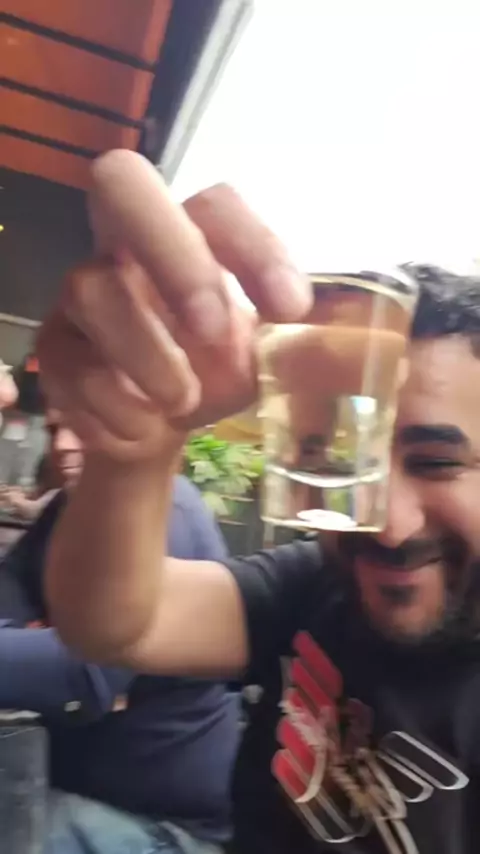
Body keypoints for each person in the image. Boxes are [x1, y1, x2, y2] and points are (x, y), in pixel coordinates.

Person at [38, 150, 480, 854]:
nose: (388, 525)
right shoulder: (320, 583)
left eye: (436, 463)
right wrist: (135, 448)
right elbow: (116, 627)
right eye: (342, 457)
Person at [0, 408, 238, 854]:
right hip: (79, 792)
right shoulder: (71, 505)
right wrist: (35, 645)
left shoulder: (163, 513)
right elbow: (11, 580)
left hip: (164, 829)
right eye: (54, 428)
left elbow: (84, 675)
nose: (63, 444)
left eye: (85, 425)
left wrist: (45, 651)